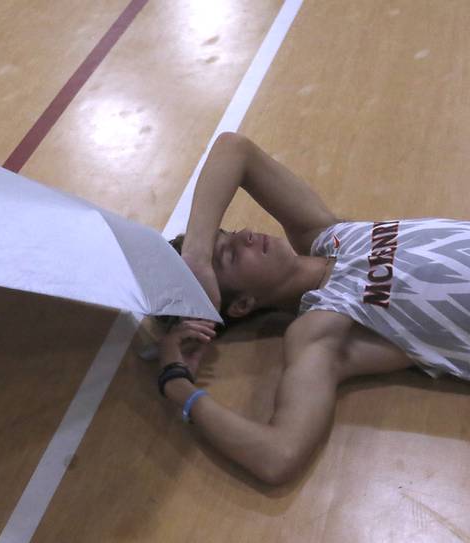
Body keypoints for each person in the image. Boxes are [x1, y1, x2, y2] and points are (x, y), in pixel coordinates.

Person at [157, 131, 470, 485]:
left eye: (229, 234)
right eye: (229, 255)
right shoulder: (319, 330)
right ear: (243, 304)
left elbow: (235, 149)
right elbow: (277, 456)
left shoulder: (324, 235)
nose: (245, 235)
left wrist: (197, 254)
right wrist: (175, 381)